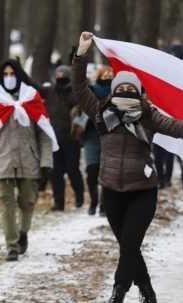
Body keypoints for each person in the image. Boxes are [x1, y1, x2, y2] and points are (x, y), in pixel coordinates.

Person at [73, 32, 183, 303]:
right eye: (121, 89)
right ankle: (148, 292)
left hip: (143, 191)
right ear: (113, 92)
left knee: (130, 244)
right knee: (128, 246)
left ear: (139, 93)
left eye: (132, 90)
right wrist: (82, 54)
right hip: (111, 190)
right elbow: (79, 88)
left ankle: (117, 292)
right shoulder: (101, 115)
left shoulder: (148, 117)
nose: (126, 93)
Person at [0, 59, 57, 261]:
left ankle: (23, 233)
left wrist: (46, 164)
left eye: (12, 74)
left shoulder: (32, 98)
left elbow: (45, 133)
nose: (9, 78)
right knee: (7, 204)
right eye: (5, 74)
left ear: (19, 75)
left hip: (29, 160)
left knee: (28, 202)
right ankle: (11, 245)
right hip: (1, 161)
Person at [72, 65, 113, 216]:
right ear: (99, 75)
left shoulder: (116, 92)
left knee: (106, 172)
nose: (108, 75)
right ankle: (94, 200)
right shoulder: (90, 90)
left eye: (110, 73)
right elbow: (78, 108)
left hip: (109, 136)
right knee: (92, 171)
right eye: (105, 73)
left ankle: (103, 204)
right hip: (91, 135)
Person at [45, 65, 85, 211]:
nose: (61, 79)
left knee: (73, 170)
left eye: (64, 76)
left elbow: (80, 110)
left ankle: (80, 199)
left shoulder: (75, 93)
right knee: (55, 173)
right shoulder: (50, 92)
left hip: (71, 139)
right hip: (54, 140)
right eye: (58, 76)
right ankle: (58, 203)